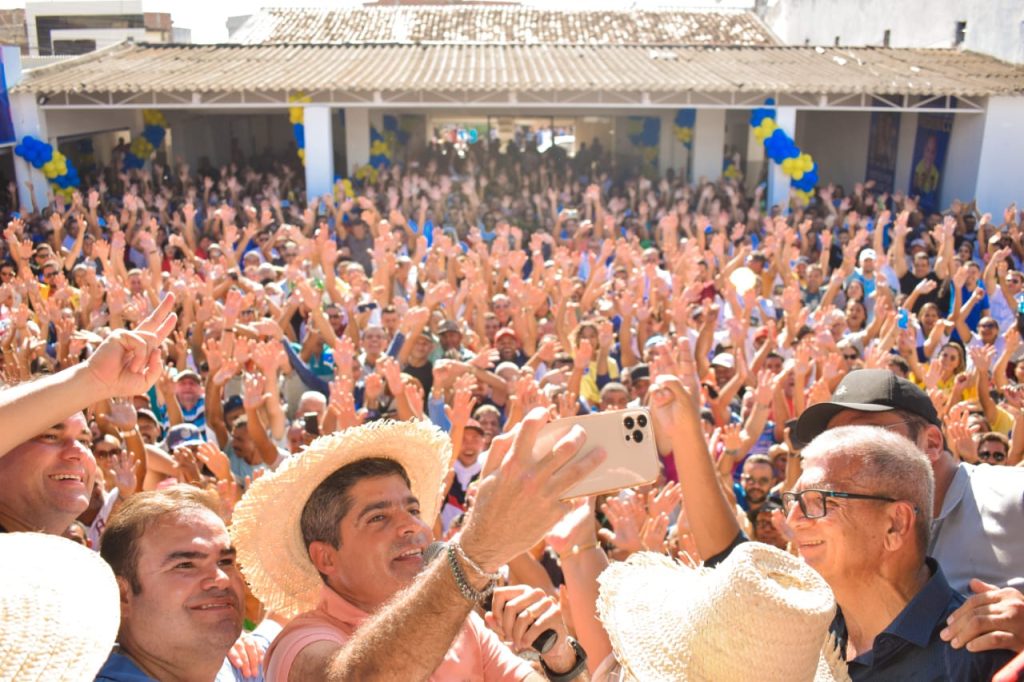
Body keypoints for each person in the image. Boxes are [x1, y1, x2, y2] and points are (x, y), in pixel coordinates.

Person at [231, 411, 599, 680]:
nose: (411, 526)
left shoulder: (463, 625)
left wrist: (561, 657)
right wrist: (474, 554)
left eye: (413, 509)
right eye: (378, 517)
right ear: (326, 557)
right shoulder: (300, 643)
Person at [794, 369, 1024, 653]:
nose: (843, 454)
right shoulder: (841, 534)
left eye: (865, 436)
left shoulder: (1014, 494)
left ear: (932, 443)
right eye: (833, 441)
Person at [96, 485, 270, 681]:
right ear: (122, 595)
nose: (222, 579)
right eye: (186, 565)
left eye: (225, 561)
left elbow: (279, 623)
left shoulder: (244, 665)